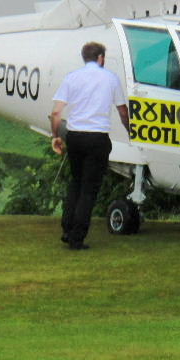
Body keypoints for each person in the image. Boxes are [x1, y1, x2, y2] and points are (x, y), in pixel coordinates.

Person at [48, 41, 129, 250]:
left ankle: (67, 228)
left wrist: (56, 135)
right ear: (101, 58)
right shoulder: (111, 79)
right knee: (89, 189)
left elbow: (57, 113)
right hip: (97, 137)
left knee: (76, 183)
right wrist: (130, 131)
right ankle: (77, 236)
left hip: (75, 136)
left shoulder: (72, 78)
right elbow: (122, 111)